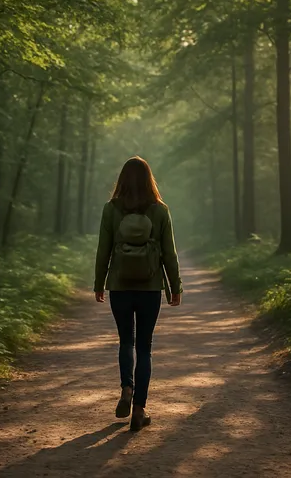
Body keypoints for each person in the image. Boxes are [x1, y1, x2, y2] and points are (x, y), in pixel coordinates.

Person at [94, 156, 183, 432]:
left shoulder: (111, 209)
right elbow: (169, 254)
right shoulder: (160, 210)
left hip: (119, 286)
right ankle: (139, 410)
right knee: (145, 347)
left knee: (126, 342)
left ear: (121, 179)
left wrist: (99, 283)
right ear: (149, 180)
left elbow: (103, 250)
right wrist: (175, 287)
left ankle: (126, 389)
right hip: (150, 287)